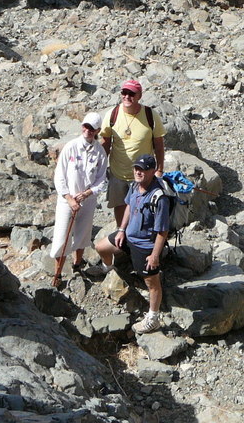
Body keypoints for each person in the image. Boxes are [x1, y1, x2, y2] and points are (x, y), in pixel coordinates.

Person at [94, 154, 170, 334]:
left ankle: (153, 318)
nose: (138, 172)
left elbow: (162, 231)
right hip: (128, 237)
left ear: (152, 171)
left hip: (145, 246)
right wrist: (121, 229)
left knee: (152, 283)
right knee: (100, 247)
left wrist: (154, 256)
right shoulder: (136, 186)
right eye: (136, 168)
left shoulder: (159, 198)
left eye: (142, 169)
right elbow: (128, 205)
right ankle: (109, 269)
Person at [50, 112, 108, 284]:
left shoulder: (100, 152)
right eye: (85, 126)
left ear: (97, 130)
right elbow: (59, 175)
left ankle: (77, 265)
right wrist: (69, 198)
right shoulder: (71, 147)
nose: (87, 130)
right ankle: (57, 274)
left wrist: (87, 194)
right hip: (67, 200)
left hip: (87, 200)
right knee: (62, 236)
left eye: (91, 128)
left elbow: (101, 179)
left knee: (83, 234)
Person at [100, 79, 166, 227]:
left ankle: (140, 241)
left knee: (143, 210)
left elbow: (159, 144)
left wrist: (159, 170)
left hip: (143, 176)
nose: (127, 96)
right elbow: (105, 142)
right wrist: (100, 169)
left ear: (139, 95)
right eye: (124, 92)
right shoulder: (112, 114)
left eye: (131, 93)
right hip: (118, 174)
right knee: (119, 206)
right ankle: (121, 236)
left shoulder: (150, 115)